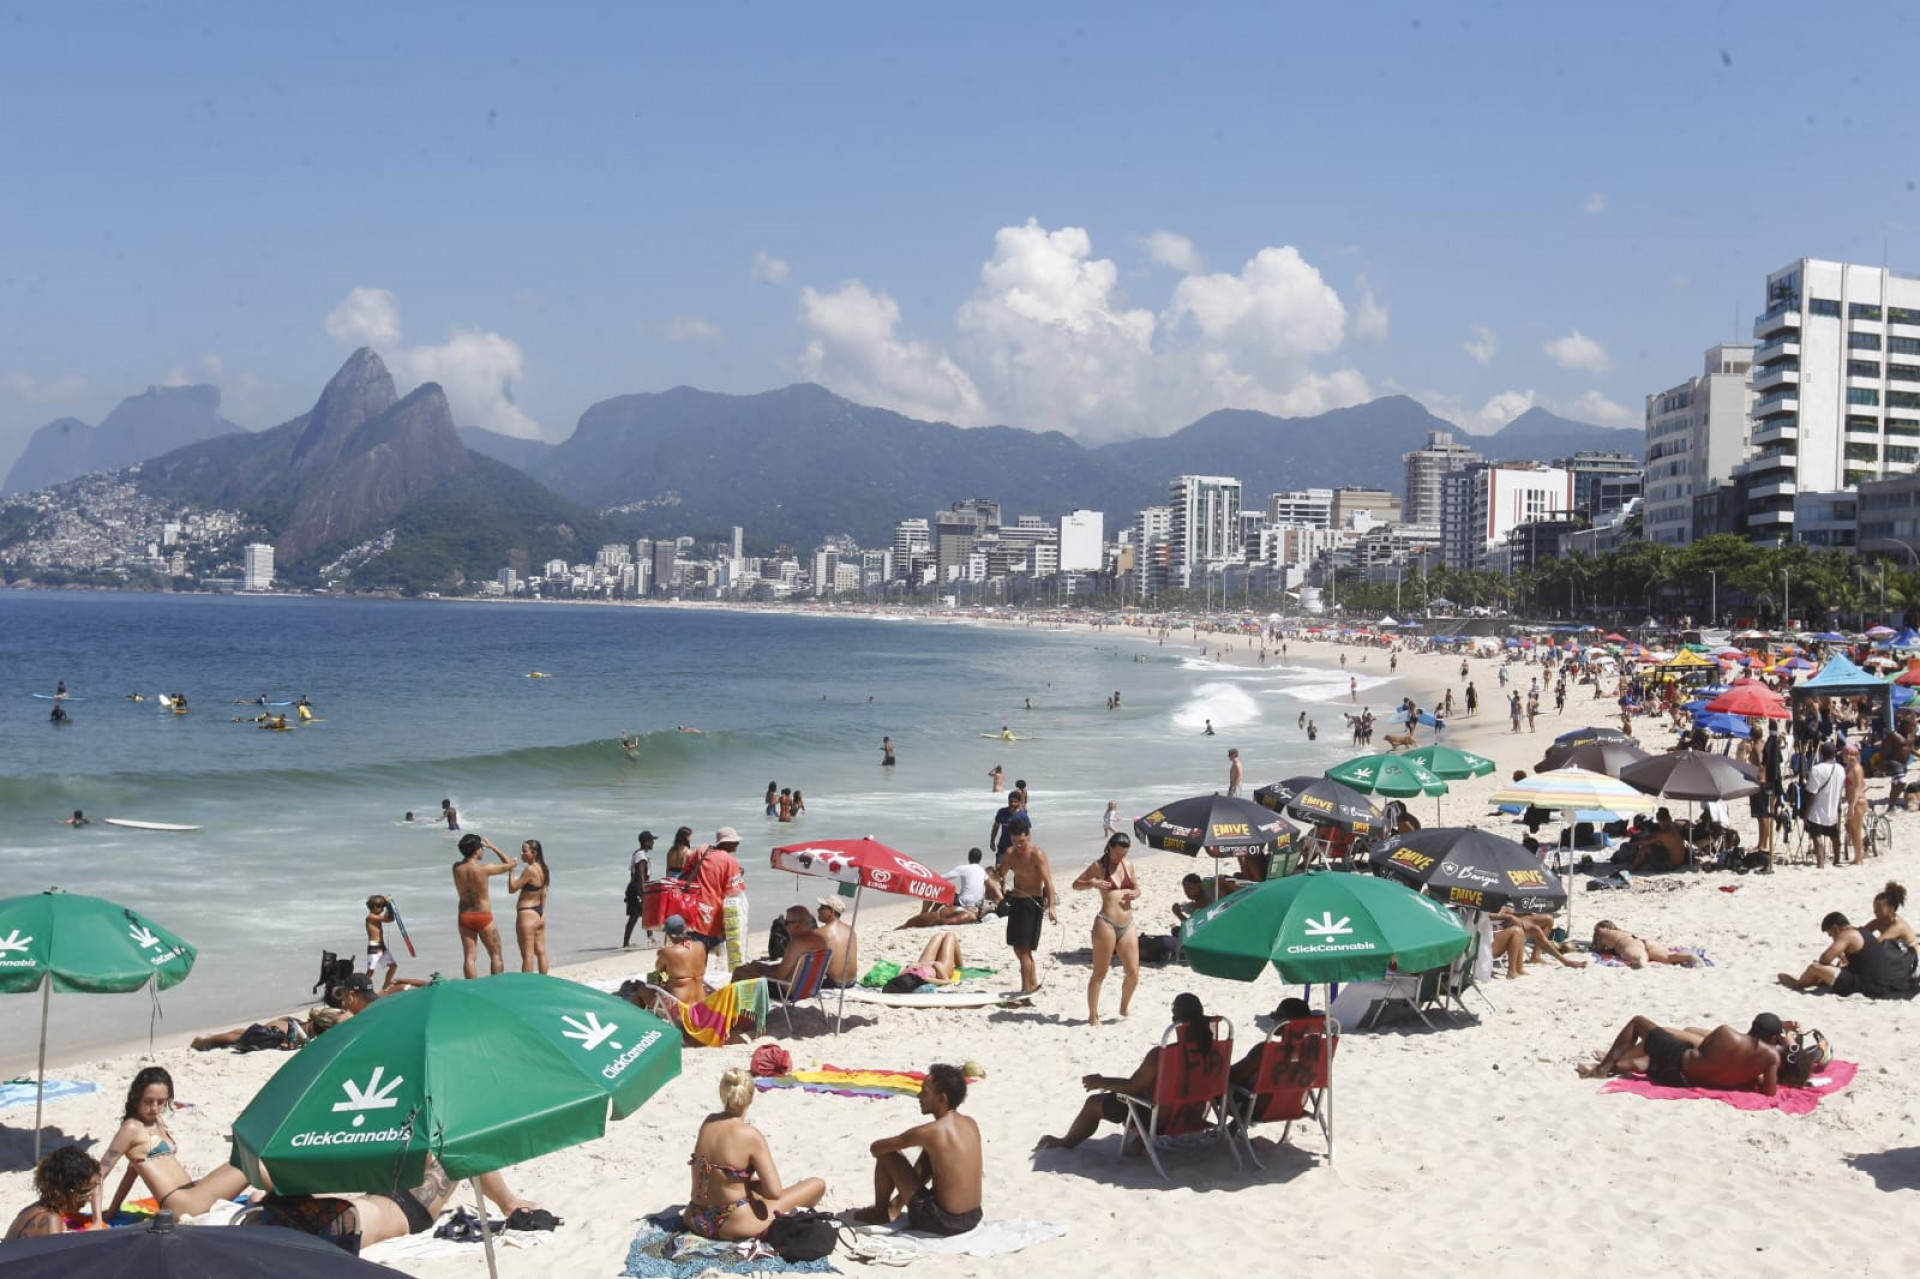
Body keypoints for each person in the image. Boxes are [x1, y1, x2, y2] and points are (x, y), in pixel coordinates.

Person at [1035, 993, 1221, 1149]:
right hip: (1192, 1115)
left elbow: (1133, 1086)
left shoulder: (1162, 1056)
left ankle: (1066, 1142)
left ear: (1175, 1020)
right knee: (1152, 1091)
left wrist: (1101, 1082)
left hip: (1160, 1120)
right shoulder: (1217, 1052)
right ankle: (1141, 1142)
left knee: (1093, 1103)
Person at [245, 1157, 548, 1248]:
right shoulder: (329, 1225)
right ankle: (509, 1203)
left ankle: (509, 1202)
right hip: (404, 1212)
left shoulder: (264, 1220)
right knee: (458, 1151)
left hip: (375, 1201)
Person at [682, 1068, 826, 1240]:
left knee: (747, 1187)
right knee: (817, 1185)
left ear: (723, 1094)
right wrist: (755, 1186)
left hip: (695, 1217)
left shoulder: (708, 1122)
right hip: (734, 1223)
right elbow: (774, 1192)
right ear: (750, 1098)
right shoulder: (750, 1135)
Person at [101, 1066, 253, 1220]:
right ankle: (276, 1208)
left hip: (192, 1192)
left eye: (161, 1102)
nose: (154, 1108)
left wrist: (113, 1209)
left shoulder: (157, 1122)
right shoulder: (131, 1128)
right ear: (136, 1097)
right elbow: (100, 1174)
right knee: (253, 1164)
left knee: (244, 1157)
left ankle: (275, 1204)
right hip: (183, 1204)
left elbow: (132, 1172)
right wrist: (97, 1220)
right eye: (148, 1101)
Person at [853, 1063, 982, 1235]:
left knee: (889, 1154)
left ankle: (880, 1212)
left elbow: (876, 1148)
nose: (918, 1096)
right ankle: (896, 1206)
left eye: (925, 1092)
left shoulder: (929, 1132)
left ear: (942, 1099)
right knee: (931, 1154)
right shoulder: (970, 1123)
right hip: (973, 1216)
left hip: (945, 1223)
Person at [1577, 1014, 1807, 1094]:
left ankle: (1601, 1070)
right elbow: (1770, 1092)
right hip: (1685, 1081)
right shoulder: (1770, 1059)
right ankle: (1640, 1064)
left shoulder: (1727, 1033)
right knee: (1665, 1046)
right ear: (1773, 1038)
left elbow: (1696, 1049)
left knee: (1640, 1023)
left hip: (1678, 1069)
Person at [1076, 833, 1140, 1026]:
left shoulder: (1128, 866)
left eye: (1124, 854)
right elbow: (1076, 884)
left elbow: (1137, 887)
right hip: (1106, 923)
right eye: (1117, 854)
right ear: (1110, 848)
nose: (1120, 858)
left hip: (1127, 924)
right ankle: (1093, 1015)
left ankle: (1123, 1005)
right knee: (1100, 972)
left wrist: (1135, 893)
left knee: (1133, 972)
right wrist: (1092, 883)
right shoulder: (1099, 866)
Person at [1778, 909, 1915, 998]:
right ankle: (1812, 981)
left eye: (1830, 934)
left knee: (1815, 967)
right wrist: (1842, 957)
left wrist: (1838, 956)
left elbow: (1825, 959)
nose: (1832, 937)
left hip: (1866, 986)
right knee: (1830, 969)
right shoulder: (1861, 931)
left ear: (1836, 928)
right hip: (1878, 983)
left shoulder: (1846, 935)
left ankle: (1799, 984)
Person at [994, 822, 1057, 996]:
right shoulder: (1010, 853)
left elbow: (1049, 882)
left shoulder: (1037, 854)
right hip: (1016, 902)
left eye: (1021, 841)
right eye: (1014, 841)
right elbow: (1001, 875)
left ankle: (1025, 989)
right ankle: (1033, 983)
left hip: (1033, 902)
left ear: (1027, 836)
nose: (1018, 845)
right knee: (1018, 948)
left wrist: (1051, 907)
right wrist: (993, 874)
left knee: (1023, 949)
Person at [5, 1145, 100, 1240]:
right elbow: (58, 1254)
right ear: (65, 1192)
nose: (89, 1198)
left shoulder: (30, 1210)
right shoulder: (52, 1220)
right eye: (85, 1192)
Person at [453, 833, 513, 979]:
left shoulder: (456, 868)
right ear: (477, 850)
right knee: (495, 953)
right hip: (483, 916)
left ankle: (471, 989)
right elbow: (510, 863)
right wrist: (493, 847)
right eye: (482, 848)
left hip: (464, 916)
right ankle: (496, 986)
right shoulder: (484, 869)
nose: (483, 851)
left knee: (469, 957)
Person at [687, 828, 748, 963]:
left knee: (694, 954)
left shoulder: (701, 850)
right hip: (713, 916)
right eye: (735, 841)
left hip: (693, 912)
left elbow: (687, 870)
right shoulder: (730, 861)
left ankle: (695, 979)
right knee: (704, 952)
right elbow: (733, 893)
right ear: (726, 842)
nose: (737, 844)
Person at [189, 1005, 347, 1051]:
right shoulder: (286, 1032)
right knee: (240, 1039)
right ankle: (203, 1042)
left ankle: (208, 1039)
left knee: (243, 1033)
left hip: (290, 1025)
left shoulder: (312, 1026)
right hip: (278, 1032)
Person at [902, 849, 994, 927]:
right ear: (980, 859)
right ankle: (930, 913)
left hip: (963, 902)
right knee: (949, 894)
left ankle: (925, 914)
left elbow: (944, 878)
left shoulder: (963, 868)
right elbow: (987, 886)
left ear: (969, 858)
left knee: (938, 891)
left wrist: (928, 878)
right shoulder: (982, 871)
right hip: (977, 905)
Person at [509, 838, 550, 974]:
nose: (521, 853)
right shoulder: (543, 868)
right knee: (541, 952)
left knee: (527, 955)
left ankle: (527, 986)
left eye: (524, 851)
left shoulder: (530, 870)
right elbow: (544, 893)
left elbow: (512, 888)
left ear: (535, 853)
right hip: (539, 913)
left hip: (526, 913)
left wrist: (511, 870)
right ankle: (544, 981)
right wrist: (541, 912)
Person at [1589, 920, 1703, 969]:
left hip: (1628, 945)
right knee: (1669, 957)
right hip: (1644, 941)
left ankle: (1644, 965)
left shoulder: (1604, 934)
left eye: (1597, 929)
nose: (1596, 932)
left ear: (1606, 927)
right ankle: (1690, 956)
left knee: (1639, 957)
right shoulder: (1622, 931)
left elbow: (1599, 948)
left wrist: (1596, 942)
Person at [1805, 741, 1846, 868]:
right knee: (1834, 835)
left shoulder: (1816, 770)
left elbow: (1812, 792)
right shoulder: (1840, 769)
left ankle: (1821, 863)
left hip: (1818, 808)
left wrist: (1806, 812)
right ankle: (1837, 859)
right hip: (1833, 807)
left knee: (1816, 836)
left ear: (1821, 754)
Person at [811, 897, 859, 987]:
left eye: (822, 907)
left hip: (834, 982)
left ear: (832, 912)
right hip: (852, 980)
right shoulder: (851, 930)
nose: (818, 910)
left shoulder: (821, 933)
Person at [1624, 807, 1686, 873]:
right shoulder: (1673, 828)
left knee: (1645, 848)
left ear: (1658, 819)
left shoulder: (1664, 833)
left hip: (1671, 865)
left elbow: (1644, 842)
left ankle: (1633, 868)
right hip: (1677, 863)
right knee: (1655, 846)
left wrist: (1634, 844)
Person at [623, 830, 656, 948]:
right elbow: (640, 875)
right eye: (652, 841)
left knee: (646, 914)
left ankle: (650, 939)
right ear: (646, 842)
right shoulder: (641, 857)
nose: (653, 843)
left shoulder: (638, 853)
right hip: (637, 889)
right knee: (635, 917)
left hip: (635, 888)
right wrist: (642, 893)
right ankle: (626, 943)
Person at [364, 895, 403, 990]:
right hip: (374, 947)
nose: (381, 909)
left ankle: (386, 984)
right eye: (380, 907)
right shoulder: (371, 917)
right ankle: (360, 985)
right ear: (373, 907)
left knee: (393, 966)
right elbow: (387, 919)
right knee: (371, 971)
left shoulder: (376, 916)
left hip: (381, 946)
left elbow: (391, 919)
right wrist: (388, 905)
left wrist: (388, 904)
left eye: (382, 907)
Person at [989, 790, 1029, 865]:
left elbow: (1027, 833)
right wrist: (992, 841)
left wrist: (1026, 847)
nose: (1012, 804)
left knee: (1017, 872)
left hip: (1017, 848)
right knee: (999, 870)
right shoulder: (1002, 812)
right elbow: (996, 827)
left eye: (1015, 802)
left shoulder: (1023, 816)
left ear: (1019, 803)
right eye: (1010, 801)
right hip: (1003, 846)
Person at [1843, 742, 1868, 866]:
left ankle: (1859, 857)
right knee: (1852, 831)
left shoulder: (1856, 769)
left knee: (1856, 831)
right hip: (1852, 801)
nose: (1842, 756)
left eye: (1844, 754)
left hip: (1858, 802)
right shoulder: (1849, 768)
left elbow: (1858, 789)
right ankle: (1857, 856)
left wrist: (1852, 806)